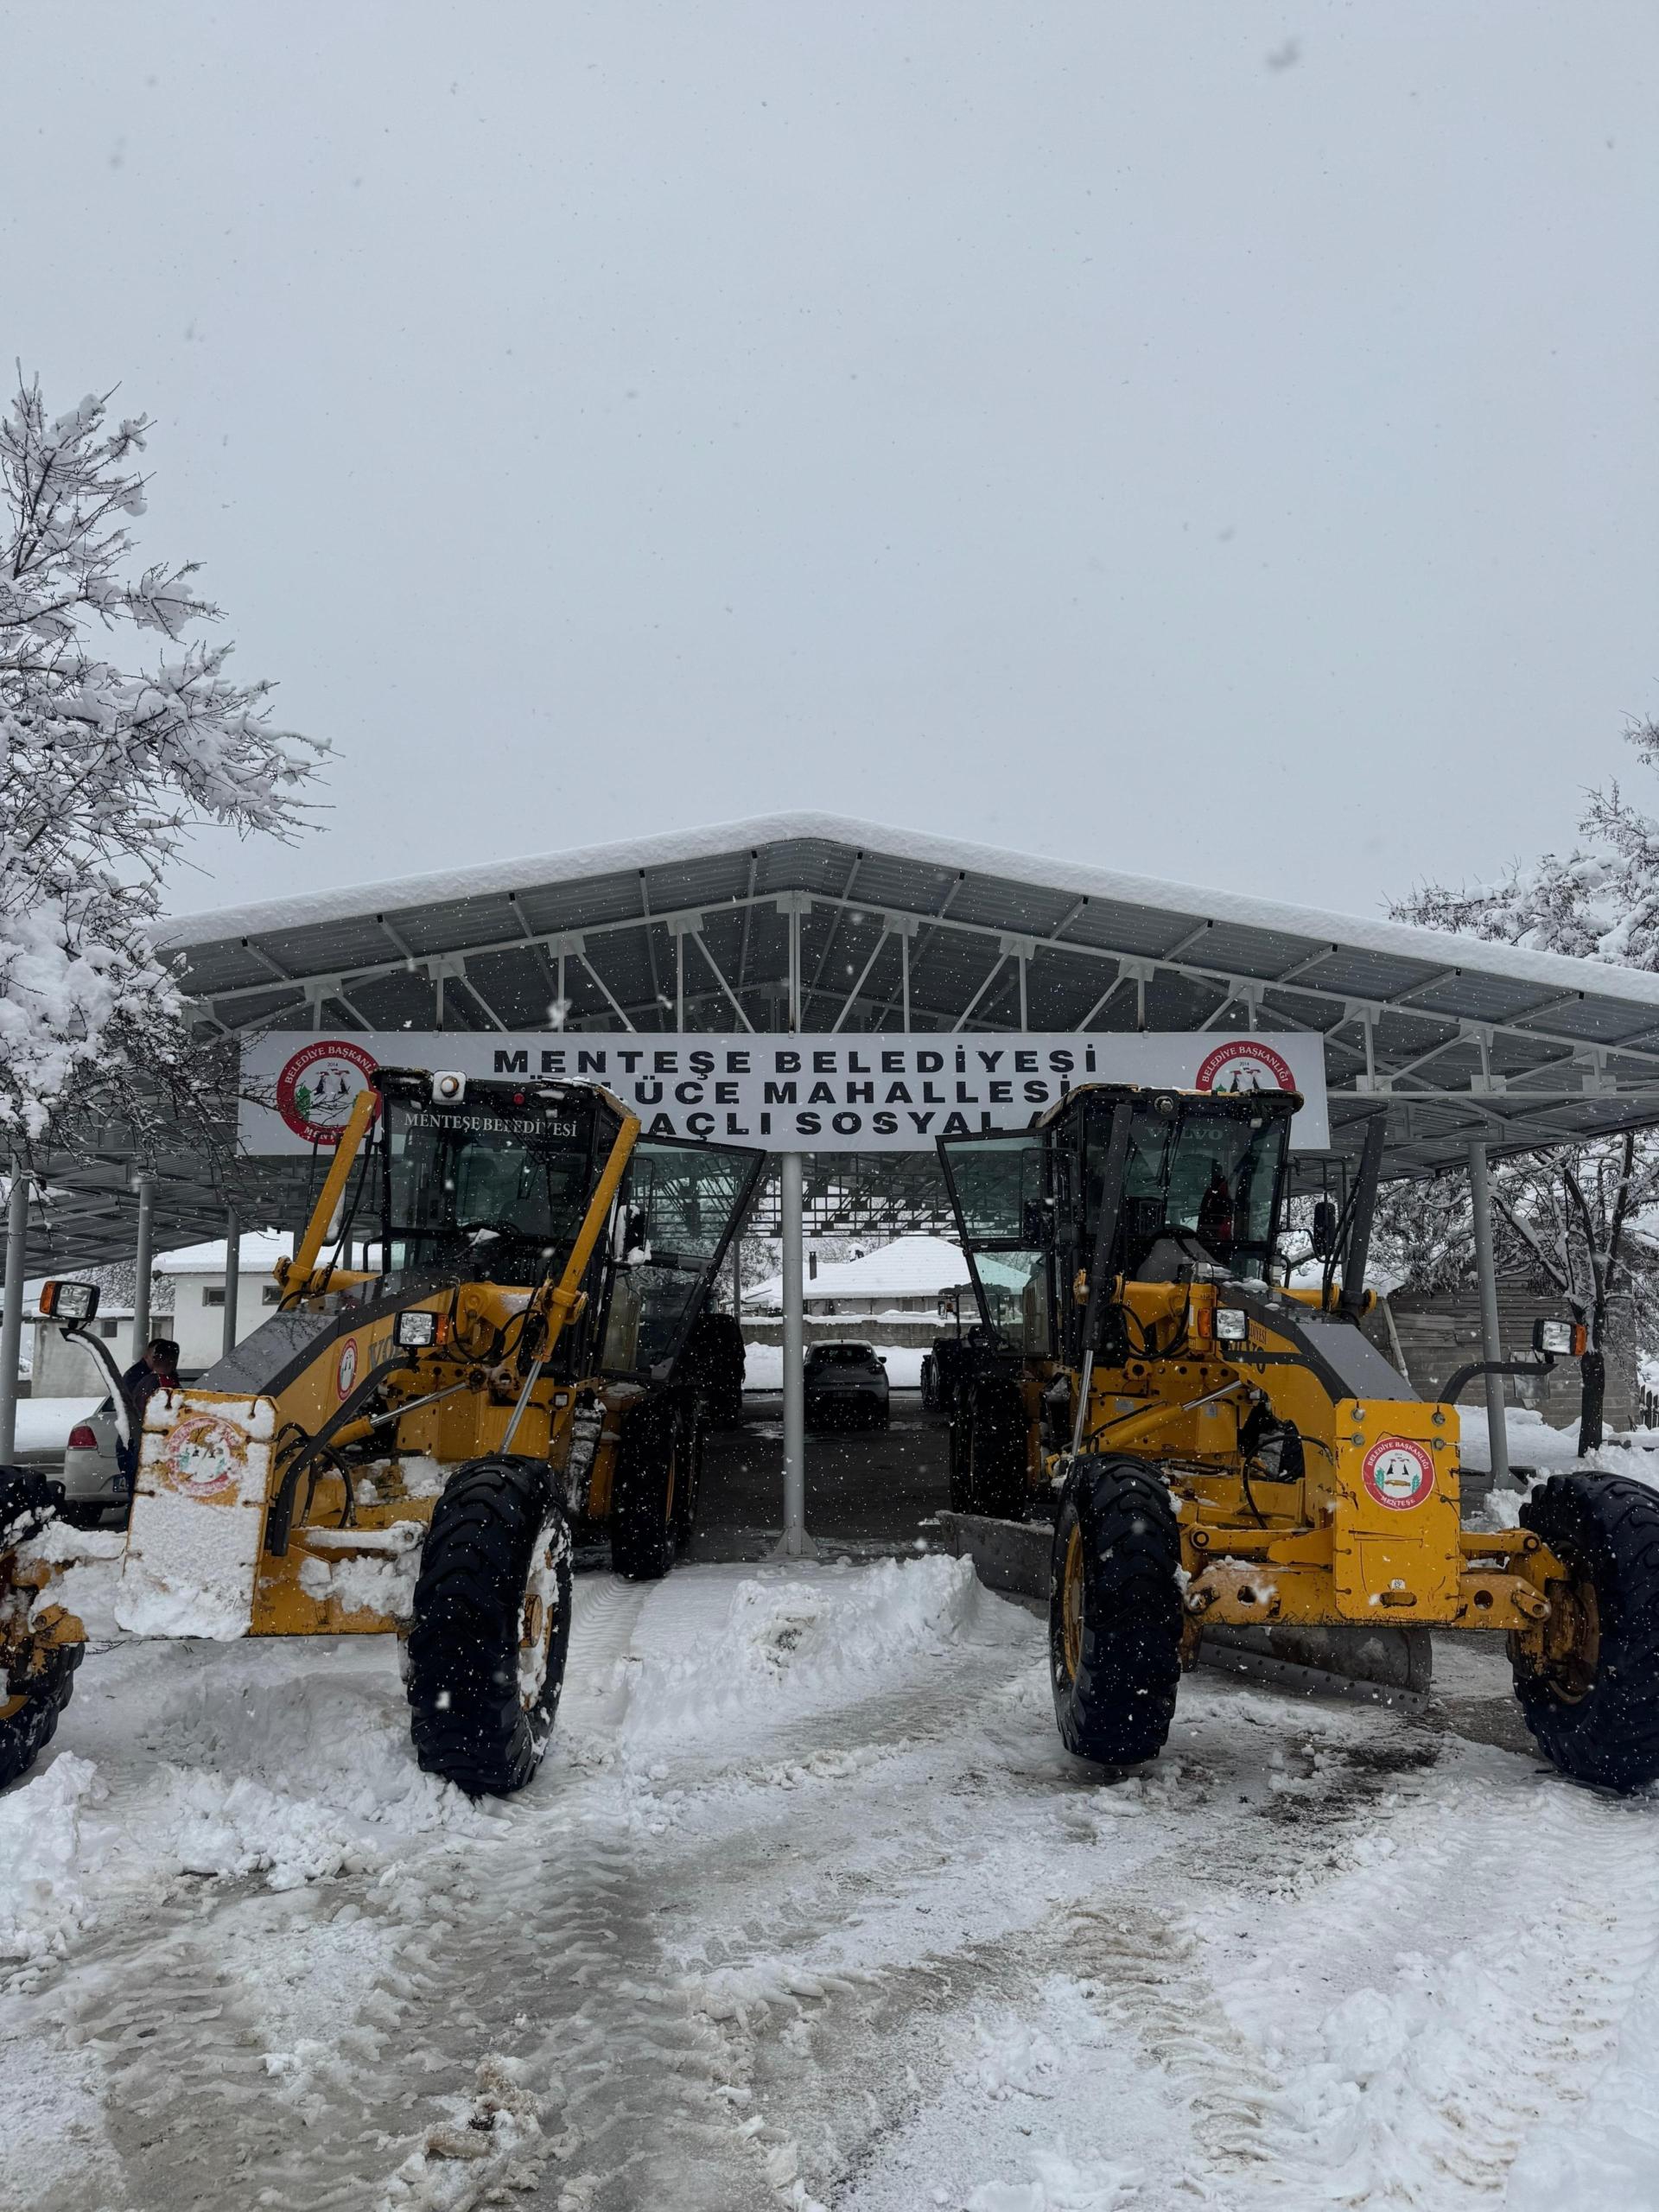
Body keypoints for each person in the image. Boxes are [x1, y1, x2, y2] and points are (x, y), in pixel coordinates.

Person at [117, 1337, 180, 1489]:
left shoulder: (149, 1381)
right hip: (145, 1449)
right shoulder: (157, 1384)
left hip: (140, 1447)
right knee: (142, 1496)